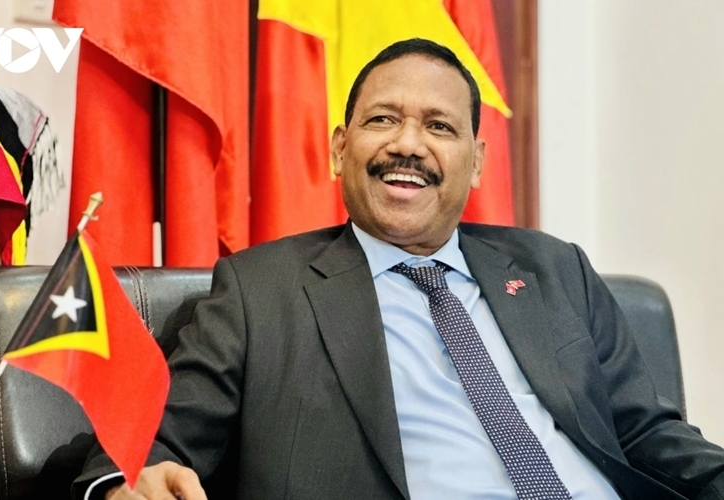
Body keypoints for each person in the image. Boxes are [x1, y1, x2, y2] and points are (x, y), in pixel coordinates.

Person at [76, 38, 724, 499]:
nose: (407, 144)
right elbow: (149, 442)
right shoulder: (260, 291)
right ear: (340, 149)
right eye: (383, 119)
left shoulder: (555, 269)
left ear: (477, 162)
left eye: (439, 126)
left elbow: (646, 433)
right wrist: (120, 485)